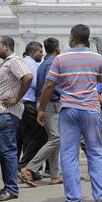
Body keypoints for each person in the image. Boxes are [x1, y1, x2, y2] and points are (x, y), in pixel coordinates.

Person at [38, 24, 102, 202]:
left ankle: (73, 198)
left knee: (69, 153)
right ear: (88, 39)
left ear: (71, 38)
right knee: (94, 151)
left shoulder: (60, 59)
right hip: (90, 109)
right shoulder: (97, 58)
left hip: (68, 110)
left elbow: (48, 85)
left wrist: (41, 108)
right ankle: (100, 194)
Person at [0, 36, 32, 202]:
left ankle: (11, 189)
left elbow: (27, 77)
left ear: (6, 46)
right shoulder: (5, 63)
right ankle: (8, 187)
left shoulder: (14, 61)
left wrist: (17, 98)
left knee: (8, 152)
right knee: (4, 153)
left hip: (7, 113)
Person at [21, 38, 63, 186]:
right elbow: (51, 86)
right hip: (50, 103)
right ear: (57, 48)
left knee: (54, 139)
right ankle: (29, 168)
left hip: (45, 103)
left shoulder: (43, 63)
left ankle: (55, 175)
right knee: (56, 138)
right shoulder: (52, 63)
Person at [18, 41, 47, 169]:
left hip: (22, 104)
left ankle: (29, 166)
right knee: (41, 134)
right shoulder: (32, 64)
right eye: (40, 52)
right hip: (29, 103)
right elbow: (36, 84)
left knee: (28, 136)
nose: (42, 54)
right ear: (33, 52)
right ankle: (25, 165)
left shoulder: (22, 62)